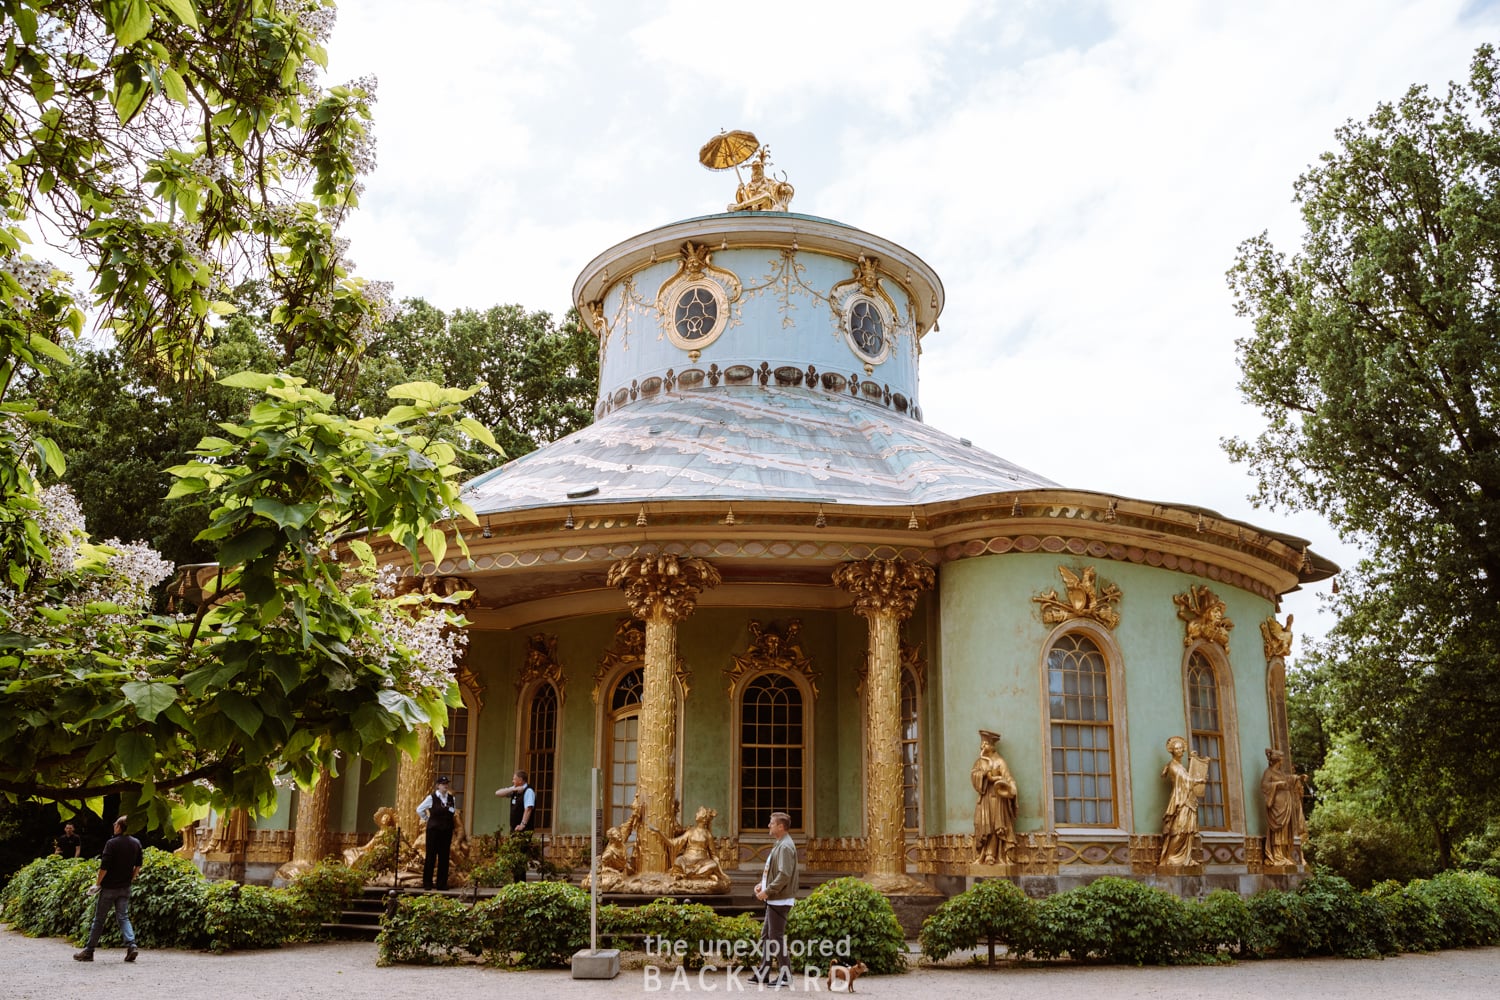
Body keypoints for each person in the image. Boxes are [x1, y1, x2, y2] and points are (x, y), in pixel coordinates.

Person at [74, 816, 142, 962]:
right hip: (125, 887)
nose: (113, 825)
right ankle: (131, 945)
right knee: (123, 917)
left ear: (119, 827)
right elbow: (138, 865)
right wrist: (131, 878)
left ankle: (89, 950)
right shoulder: (136, 843)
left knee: (99, 919)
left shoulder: (111, 843)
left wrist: (98, 883)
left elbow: (104, 866)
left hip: (109, 887)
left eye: (115, 823)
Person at [747, 811, 799, 988]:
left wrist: (768, 891)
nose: (769, 825)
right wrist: (762, 884)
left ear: (781, 826)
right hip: (775, 898)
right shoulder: (780, 843)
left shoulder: (784, 846)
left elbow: (784, 874)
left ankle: (785, 976)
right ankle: (764, 972)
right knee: (767, 936)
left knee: (775, 938)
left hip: (779, 900)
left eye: (771, 823)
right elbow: (774, 871)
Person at [970, 729, 1018, 865]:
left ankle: (993, 855)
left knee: (996, 826)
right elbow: (974, 775)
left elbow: (1008, 778)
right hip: (984, 799)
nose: (982, 747)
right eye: (982, 744)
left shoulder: (1000, 762)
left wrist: (1012, 788)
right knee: (982, 825)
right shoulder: (980, 762)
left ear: (992, 746)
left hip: (997, 800)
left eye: (985, 744)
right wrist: (983, 775)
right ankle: (982, 855)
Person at [1159, 736, 1205, 866]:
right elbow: (1185, 781)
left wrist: (1193, 762)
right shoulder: (1173, 766)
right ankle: (1172, 857)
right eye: (1177, 749)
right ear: (1172, 751)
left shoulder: (1180, 765)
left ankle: (1186, 858)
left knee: (1188, 830)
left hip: (1187, 800)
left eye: (1181, 748)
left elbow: (1187, 777)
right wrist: (1199, 780)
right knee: (1180, 829)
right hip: (1180, 800)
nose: (1180, 751)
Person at [1261, 748, 1307, 867]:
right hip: (1277, 804)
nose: (1282, 762)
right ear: (1277, 760)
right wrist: (1277, 784)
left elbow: (1288, 779)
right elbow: (1264, 785)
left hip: (1286, 803)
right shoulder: (1268, 772)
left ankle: (1283, 854)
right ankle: (1277, 855)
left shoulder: (1280, 773)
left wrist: (1298, 778)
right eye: (1281, 760)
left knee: (1286, 829)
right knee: (1278, 828)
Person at [416, 776, 458, 890]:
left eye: (446, 784)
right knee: (431, 856)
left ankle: (441, 883)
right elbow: (419, 809)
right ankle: (427, 883)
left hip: (446, 831)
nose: (445, 785)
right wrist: (427, 819)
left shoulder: (451, 799)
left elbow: (452, 812)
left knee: (444, 857)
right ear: (438, 785)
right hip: (434, 831)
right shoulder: (432, 798)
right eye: (443, 784)